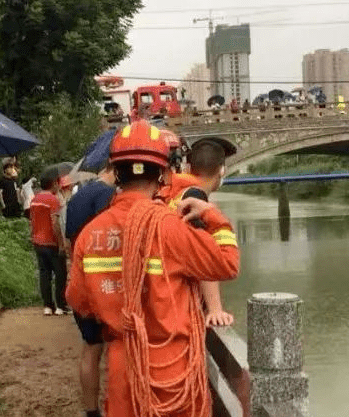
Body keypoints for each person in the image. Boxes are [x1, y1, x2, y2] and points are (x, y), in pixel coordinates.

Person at [66, 120, 240, 417]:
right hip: (175, 371)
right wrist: (212, 215)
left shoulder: (92, 234)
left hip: (125, 369)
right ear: (163, 172)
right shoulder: (170, 227)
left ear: (116, 171)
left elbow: (79, 302)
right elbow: (227, 263)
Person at [158, 135, 237, 327]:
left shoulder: (175, 190)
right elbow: (203, 253)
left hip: (164, 293)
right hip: (179, 301)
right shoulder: (194, 197)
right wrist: (215, 309)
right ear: (222, 170)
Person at [65, 163, 117, 417]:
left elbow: (67, 241)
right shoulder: (107, 196)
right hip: (102, 283)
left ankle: (91, 410)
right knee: (117, 350)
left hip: (79, 280)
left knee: (91, 346)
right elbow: (109, 237)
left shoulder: (77, 197)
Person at [29, 175, 68, 315]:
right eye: (57, 183)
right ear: (53, 184)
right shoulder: (53, 200)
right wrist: (61, 243)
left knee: (44, 274)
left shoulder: (34, 199)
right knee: (60, 273)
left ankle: (47, 305)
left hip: (38, 241)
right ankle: (60, 305)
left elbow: (31, 221)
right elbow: (55, 223)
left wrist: (32, 236)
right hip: (52, 242)